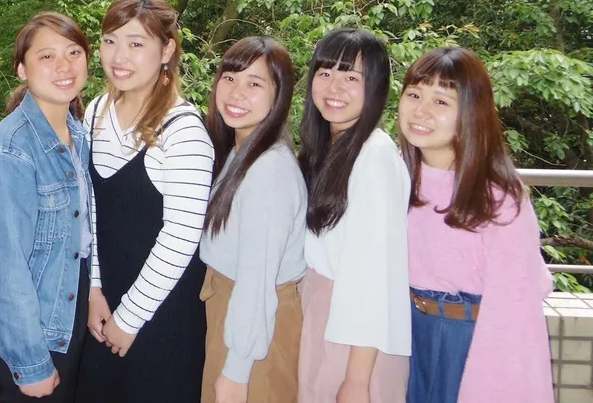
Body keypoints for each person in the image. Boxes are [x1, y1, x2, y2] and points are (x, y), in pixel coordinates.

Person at [76, 0, 214, 403]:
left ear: (167, 49)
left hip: (160, 316)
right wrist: (94, 289)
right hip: (103, 307)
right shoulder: (96, 111)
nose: (120, 55)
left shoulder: (183, 131)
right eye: (110, 40)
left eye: (136, 44)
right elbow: (90, 211)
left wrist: (131, 318)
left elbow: (181, 237)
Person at [399, 47, 554, 403]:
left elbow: (513, 305)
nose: (420, 110)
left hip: (469, 342)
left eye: (441, 101)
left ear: (471, 113)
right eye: (414, 94)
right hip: (404, 336)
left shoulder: (498, 198)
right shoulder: (396, 177)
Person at [0, 12, 92, 403]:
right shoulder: (10, 150)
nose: (64, 66)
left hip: (68, 313)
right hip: (35, 333)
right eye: (47, 56)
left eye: (73, 52)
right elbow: (5, 267)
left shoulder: (78, 132)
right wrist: (31, 363)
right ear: (21, 69)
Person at [296, 28, 411, 403]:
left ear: (375, 88)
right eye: (326, 72)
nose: (334, 87)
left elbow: (374, 276)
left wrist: (358, 380)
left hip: (353, 334)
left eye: (351, 77)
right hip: (323, 316)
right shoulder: (329, 148)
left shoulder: (373, 155)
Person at [200, 37, 307, 403]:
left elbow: (257, 279)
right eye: (230, 78)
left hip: (253, 332)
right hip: (236, 316)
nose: (236, 93)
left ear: (279, 97)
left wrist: (236, 370)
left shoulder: (268, 171)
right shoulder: (242, 151)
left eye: (255, 83)